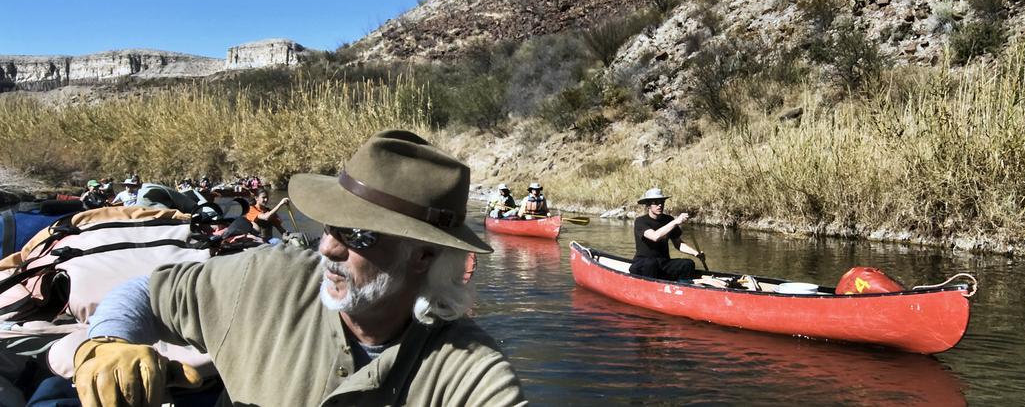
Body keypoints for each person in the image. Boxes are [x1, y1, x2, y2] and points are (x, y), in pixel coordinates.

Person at [74, 129, 527, 407]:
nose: (327, 247)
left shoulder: (469, 372)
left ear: (424, 256)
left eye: (359, 235)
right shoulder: (267, 279)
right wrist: (107, 343)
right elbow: (147, 293)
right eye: (331, 226)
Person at [629, 187, 704, 282]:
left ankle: (684, 287)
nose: (660, 205)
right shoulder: (641, 221)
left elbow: (678, 244)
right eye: (655, 202)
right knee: (651, 263)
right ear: (648, 205)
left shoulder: (668, 220)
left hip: (663, 263)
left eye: (662, 202)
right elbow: (654, 236)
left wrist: (696, 253)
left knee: (688, 264)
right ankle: (651, 288)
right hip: (643, 263)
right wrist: (676, 221)